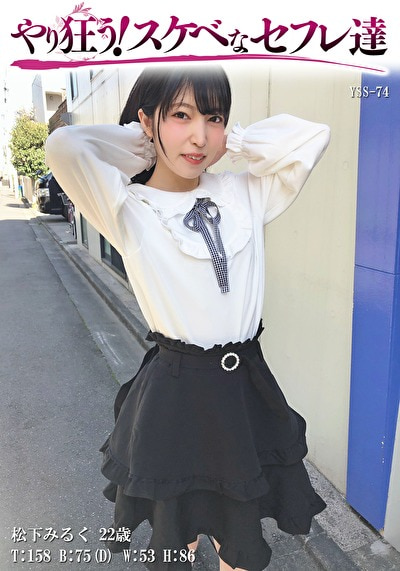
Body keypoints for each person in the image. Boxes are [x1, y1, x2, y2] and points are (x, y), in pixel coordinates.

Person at [46, 64, 330, 571]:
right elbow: (65, 147)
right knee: (178, 537)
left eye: (213, 118)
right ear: (147, 120)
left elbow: (312, 137)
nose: (199, 135)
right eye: (181, 115)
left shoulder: (245, 191)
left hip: (243, 390)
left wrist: (233, 142)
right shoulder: (127, 205)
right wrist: (144, 142)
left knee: (238, 538)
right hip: (175, 393)